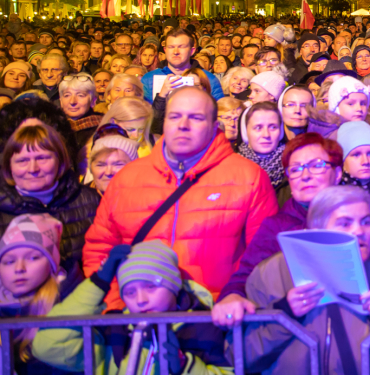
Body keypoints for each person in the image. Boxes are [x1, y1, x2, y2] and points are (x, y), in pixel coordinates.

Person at [83, 86, 278, 309]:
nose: (182, 125)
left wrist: (236, 297)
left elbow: (264, 255)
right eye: (174, 116)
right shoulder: (127, 178)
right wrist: (117, 306)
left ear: (215, 126)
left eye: (195, 118)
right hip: (135, 319)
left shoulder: (249, 178)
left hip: (214, 320)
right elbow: (100, 249)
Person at [234, 186, 370, 375]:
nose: (359, 231)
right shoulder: (270, 274)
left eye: (366, 222)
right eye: (345, 223)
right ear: (318, 228)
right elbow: (242, 357)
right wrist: (284, 315)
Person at [33, 240, 230, 375]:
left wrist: (186, 366)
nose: (141, 300)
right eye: (129, 292)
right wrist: (98, 283)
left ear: (173, 285)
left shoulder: (204, 326)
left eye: (151, 286)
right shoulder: (114, 329)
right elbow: (49, 345)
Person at [212, 132, 345, 329]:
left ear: (338, 174)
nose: (306, 175)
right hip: (296, 334)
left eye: (317, 165)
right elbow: (247, 274)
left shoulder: (363, 217)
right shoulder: (277, 227)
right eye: (296, 169)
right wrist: (233, 295)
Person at [0, 120, 100, 283]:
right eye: (22, 161)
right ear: (9, 165)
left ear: (60, 160)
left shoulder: (89, 200)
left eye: (42, 158)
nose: (33, 169)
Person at [0, 214, 64, 374]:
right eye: (9, 261)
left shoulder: (66, 305)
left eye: (33, 258)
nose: (19, 268)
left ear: (52, 265)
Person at [141, 29, 224, 101]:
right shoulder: (149, 79)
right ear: (165, 50)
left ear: (192, 51)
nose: (176, 52)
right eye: (171, 47)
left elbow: (221, 114)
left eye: (181, 47)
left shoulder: (209, 79)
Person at [238, 102, 289, 206]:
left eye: (273, 127)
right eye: (258, 127)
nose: (266, 134)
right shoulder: (232, 168)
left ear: (281, 132)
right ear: (245, 132)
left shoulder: (292, 168)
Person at [86, 127, 138, 195]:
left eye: (118, 164)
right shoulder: (78, 200)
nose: (108, 172)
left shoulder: (147, 199)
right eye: (100, 165)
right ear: (91, 168)